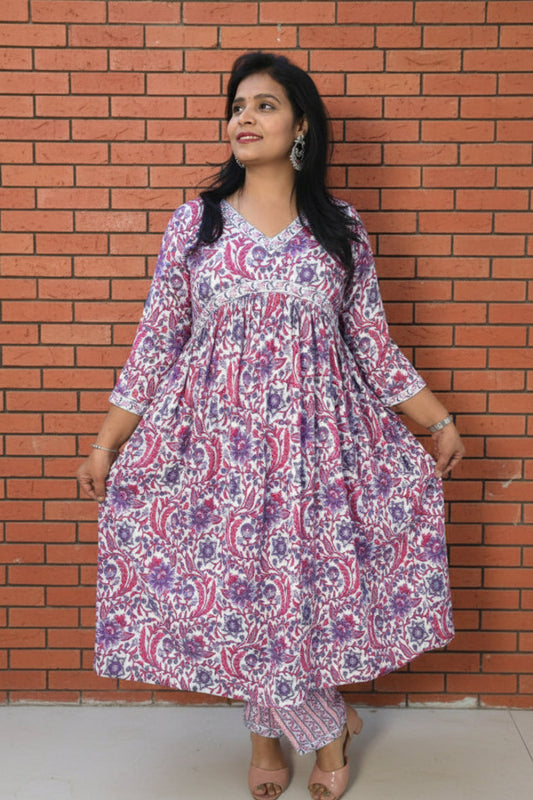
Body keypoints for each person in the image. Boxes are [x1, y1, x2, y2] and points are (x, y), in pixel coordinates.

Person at [77, 51, 465, 800]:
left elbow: (370, 341)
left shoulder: (339, 228)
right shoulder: (196, 223)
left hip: (318, 448)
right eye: (236, 106)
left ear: (301, 126)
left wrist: (435, 420)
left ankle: (288, 736)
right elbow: (157, 341)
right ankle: (317, 727)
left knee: (296, 589)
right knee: (243, 592)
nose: (243, 119)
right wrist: (106, 442)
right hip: (215, 450)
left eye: (263, 105)